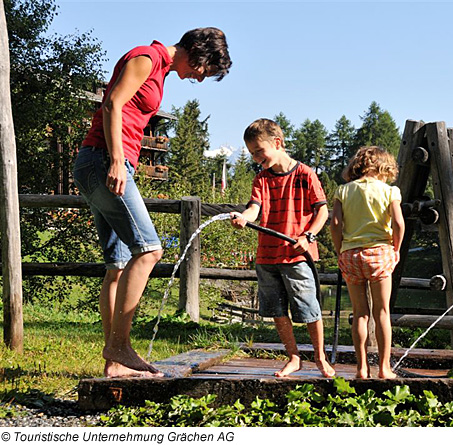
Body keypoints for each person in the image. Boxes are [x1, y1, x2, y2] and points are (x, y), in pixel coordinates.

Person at [73, 28, 232, 378]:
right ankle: (119, 345)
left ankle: (114, 363)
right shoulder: (146, 57)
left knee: (117, 265)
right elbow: (113, 102)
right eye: (207, 70)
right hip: (103, 160)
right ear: (198, 52)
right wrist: (117, 160)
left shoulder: (159, 69)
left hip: (101, 161)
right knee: (149, 250)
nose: (202, 78)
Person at [230, 118, 335, 378]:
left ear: (277, 143)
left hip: (298, 255)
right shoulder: (261, 179)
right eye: (252, 154)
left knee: (309, 309)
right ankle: (294, 357)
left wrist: (308, 236)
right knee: (277, 310)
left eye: (258, 151)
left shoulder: (305, 174)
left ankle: (320, 358)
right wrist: (245, 217)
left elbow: (321, 211)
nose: (256, 158)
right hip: (267, 256)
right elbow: (255, 208)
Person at [330, 146, 405, 379]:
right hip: (379, 252)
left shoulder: (342, 191)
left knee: (360, 313)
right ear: (384, 167)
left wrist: (340, 250)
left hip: (351, 254)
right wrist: (397, 249)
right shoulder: (390, 191)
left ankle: (361, 368)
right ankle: (384, 368)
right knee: (382, 312)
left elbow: (334, 224)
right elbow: (399, 224)